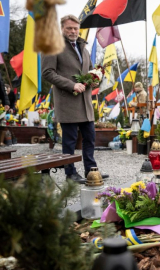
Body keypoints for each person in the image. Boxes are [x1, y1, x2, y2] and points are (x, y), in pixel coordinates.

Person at [42, 15, 108, 184]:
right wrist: (71, 85)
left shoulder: (83, 48)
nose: (73, 31)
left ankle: (91, 170)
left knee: (90, 138)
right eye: (69, 28)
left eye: (75, 28)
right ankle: (70, 173)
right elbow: (48, 72)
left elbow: (90, 70)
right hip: (68, 102)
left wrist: (95, 77)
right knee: (70, 141)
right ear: (61, 29)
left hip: (85, 103)